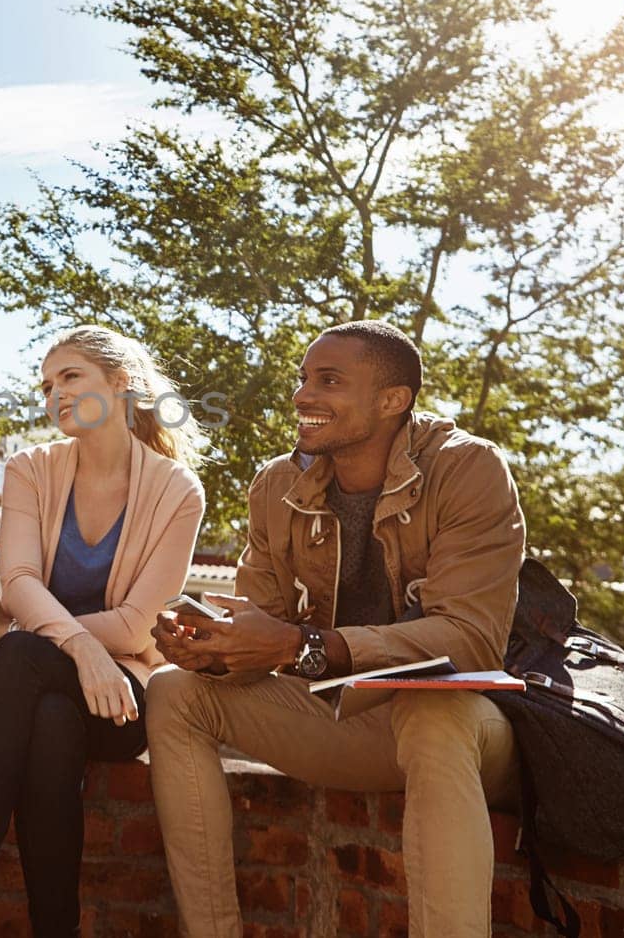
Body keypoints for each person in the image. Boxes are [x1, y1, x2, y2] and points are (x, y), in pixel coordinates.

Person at [146, 320, 524, 937]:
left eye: (328, 381)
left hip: (468, 734)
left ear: (392, 400)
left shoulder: (467, 468)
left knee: (434, 714)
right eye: (302, 380)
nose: (302, 396)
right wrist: (215, 648)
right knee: (172, 692)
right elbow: (264, 621)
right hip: (350, 718)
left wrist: (306, 645)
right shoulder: (277, 485)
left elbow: (470, 639)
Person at [0, 326, 206, 938]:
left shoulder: (177, 491)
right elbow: (20, 577)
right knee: (51, 725)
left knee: (24, 653)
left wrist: (28, 630)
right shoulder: (31, 468)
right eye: (47, 384)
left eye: (71, 377)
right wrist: (79, 647)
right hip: (44, 684)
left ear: (121, 383)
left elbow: (137, 623)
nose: (53, 394)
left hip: (119, 694)